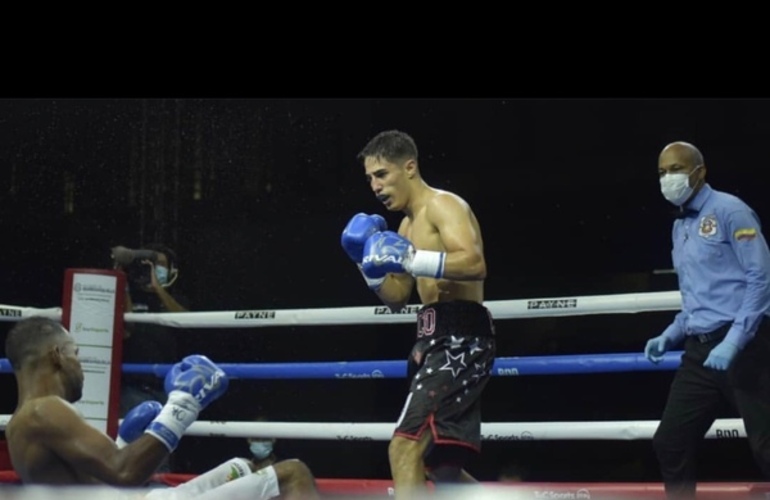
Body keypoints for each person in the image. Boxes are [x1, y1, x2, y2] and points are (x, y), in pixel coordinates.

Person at [3, 316, 320, 500]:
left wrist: (124, 444)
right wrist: (183, 404)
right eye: (76, 353)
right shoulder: (43, 411)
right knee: (293, 474)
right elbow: (124, 472)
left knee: (242, 466)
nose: (80, 365)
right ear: (58, 355)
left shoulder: (27, 419)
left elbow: (98, 484)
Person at [341, 130, 496, 499]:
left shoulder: (445, 205)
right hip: (430, 340)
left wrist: (412, 258)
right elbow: (398, 297)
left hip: (461, 339)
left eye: (381, 174)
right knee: (441, 470)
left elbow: (475, 264)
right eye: (369, 179)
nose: (375, 187)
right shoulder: (406, 226)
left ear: (409, 167)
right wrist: (367, 267)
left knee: (404, 446)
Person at [644, 141, 770, 498]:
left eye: (676, 169)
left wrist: (735, 340)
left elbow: (762, 279)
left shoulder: (732, 211)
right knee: (670, 441)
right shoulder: (679, 226)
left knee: (766, 446)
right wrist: (670, 333)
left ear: (700, 172)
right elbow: (698, 296)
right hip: (699, 354)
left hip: (748, 346)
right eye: (662, 171)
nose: (668, 177)